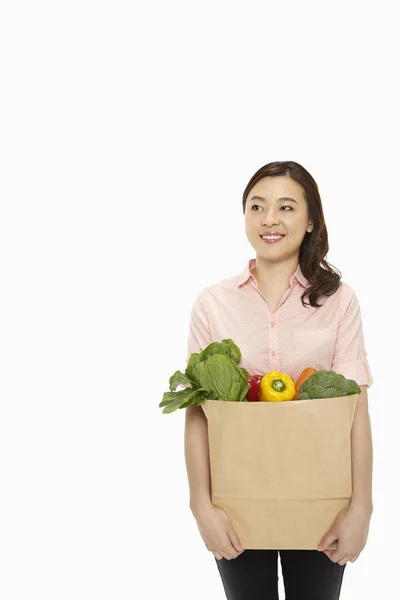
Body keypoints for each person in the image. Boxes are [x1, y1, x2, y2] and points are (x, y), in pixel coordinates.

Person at [184, 160, 374, 600]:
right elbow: (198, 413)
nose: (269, 219)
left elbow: (355, 409)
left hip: (322, 497)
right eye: (257, 206)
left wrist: (361, 507)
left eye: (286, 207)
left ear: (311, 221)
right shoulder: (212, 304)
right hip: (238, 497)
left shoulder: (338, 301)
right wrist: (202, 506)